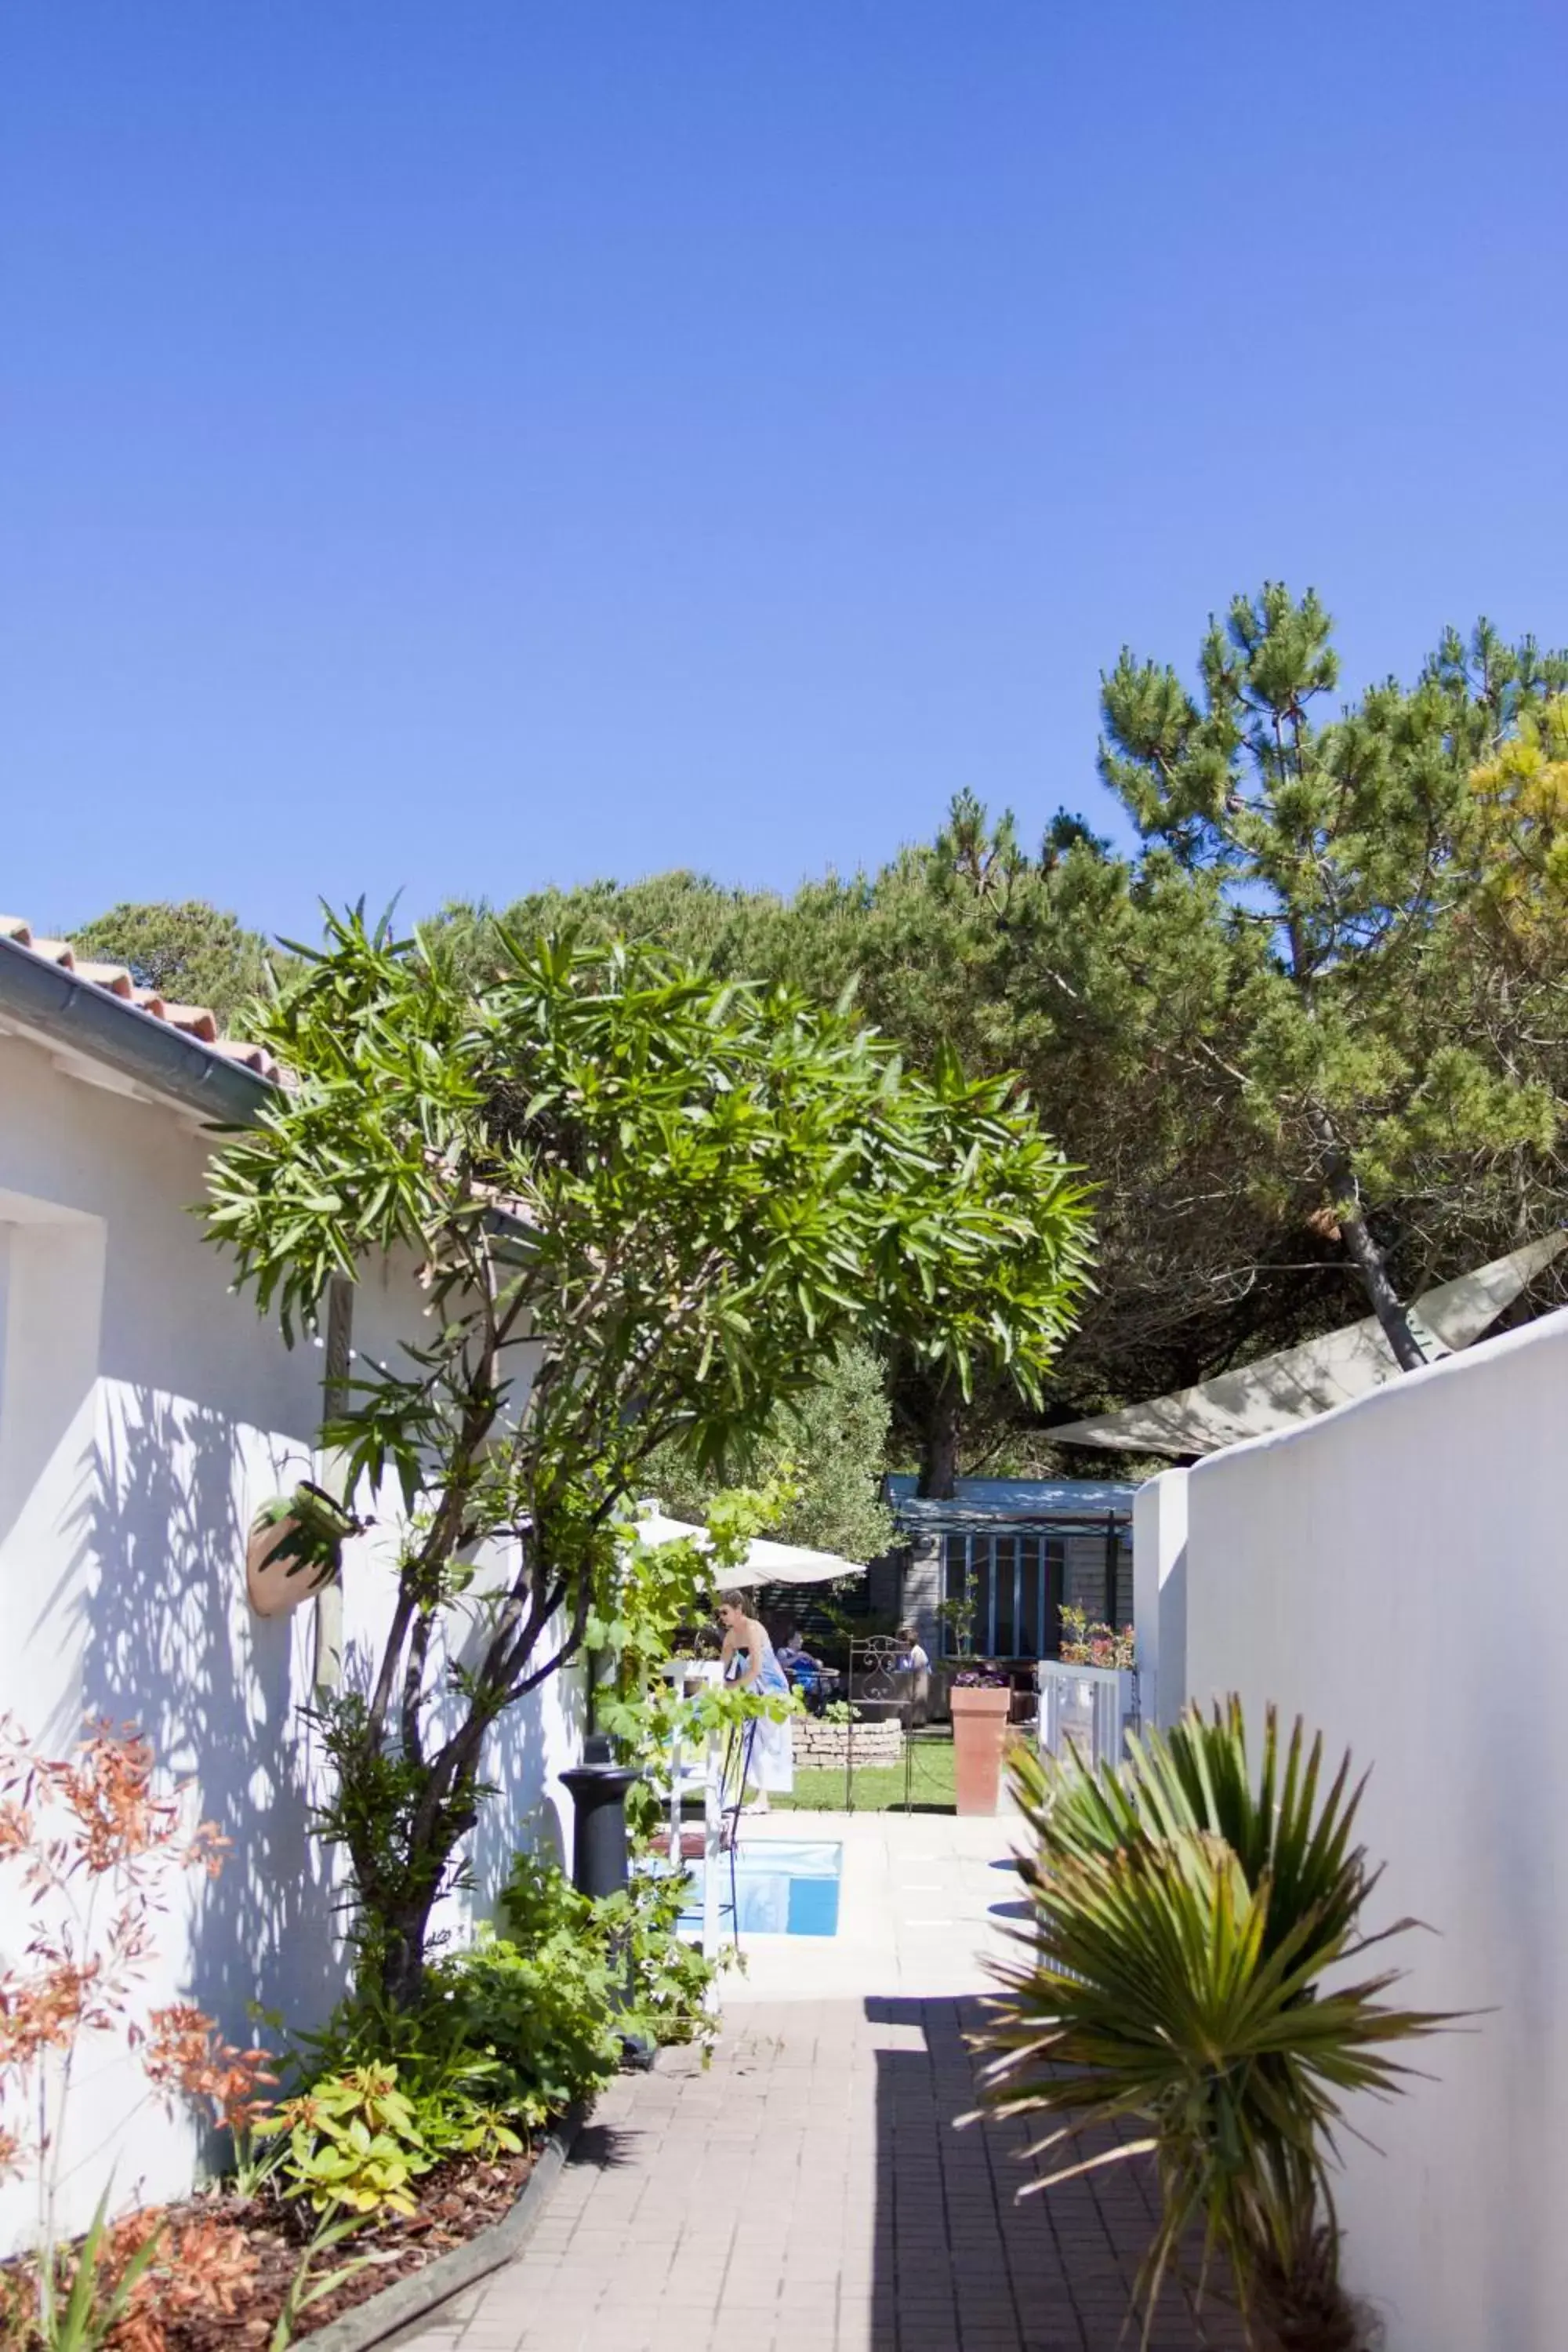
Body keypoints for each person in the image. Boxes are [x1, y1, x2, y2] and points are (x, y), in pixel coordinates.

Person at [717, 1589, 794, 1813]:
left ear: (739, 1609)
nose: (721, 1617)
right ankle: (747, 1796)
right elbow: (721, 1667)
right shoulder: (731, 1636)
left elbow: (756, 1669)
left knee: (767, 1743)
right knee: (751, 1743)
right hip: (751, 1691)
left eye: (725, 1612)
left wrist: (730, 1686)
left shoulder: (753, 1629)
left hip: (772, 1691)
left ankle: (762, 1798)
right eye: (719, 1613)